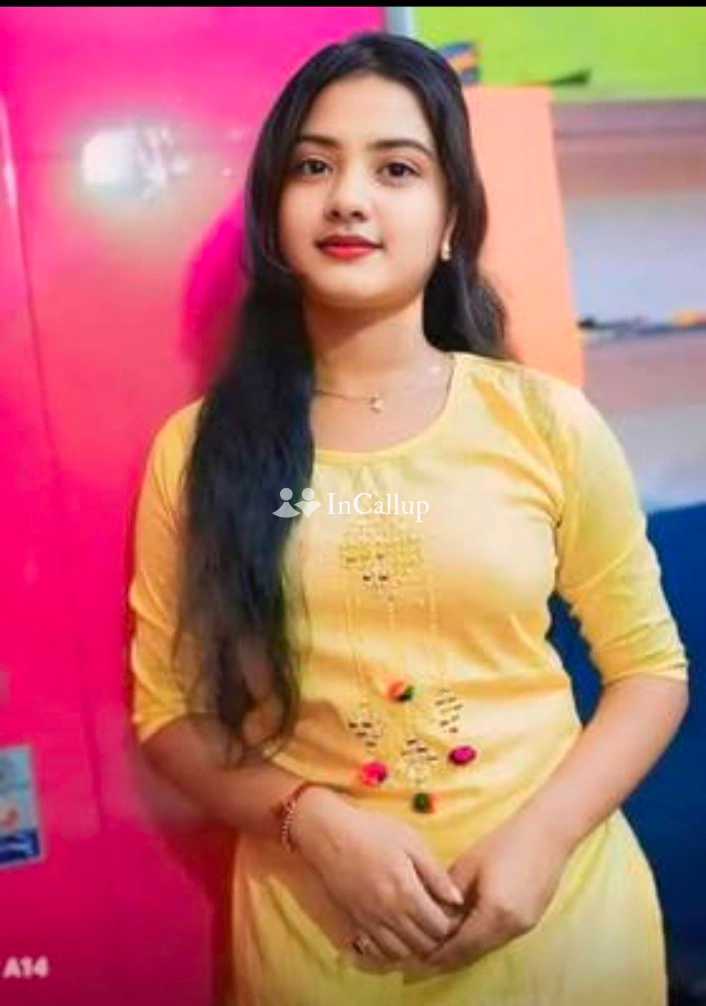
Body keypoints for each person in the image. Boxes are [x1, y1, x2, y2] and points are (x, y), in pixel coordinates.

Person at [128, 30, 689, 1006]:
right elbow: (168, 714)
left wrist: (542, 838)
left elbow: (650, 670)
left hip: (559, 923)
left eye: (395, 168)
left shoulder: (544, 422)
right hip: (321, 941)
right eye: (314, 166)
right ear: (275, 212)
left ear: (449, 219)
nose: (348, 197)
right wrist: (312, 821)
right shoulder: (200, 449)